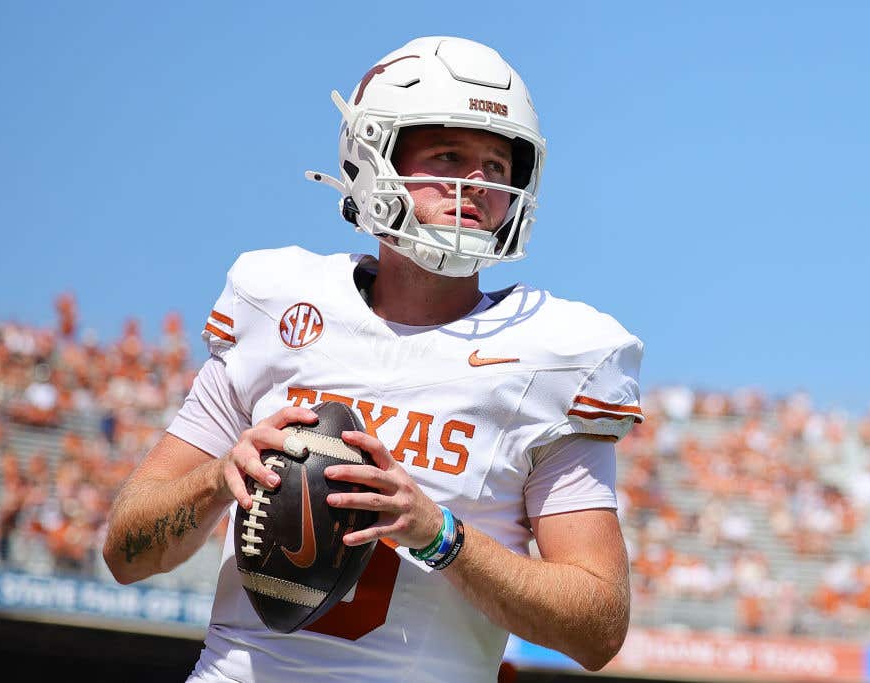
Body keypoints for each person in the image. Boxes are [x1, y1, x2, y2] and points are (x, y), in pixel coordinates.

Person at [103, 36, 644, 682]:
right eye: (449, 156)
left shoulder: (553, 352)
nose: (476, 183)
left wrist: (438, 533)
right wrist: (219, 477)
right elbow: (125, 552)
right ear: (374, 156)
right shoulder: (278, 304)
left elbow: (598, 628)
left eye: (498, 166)